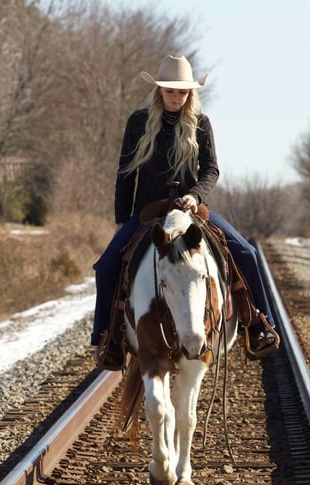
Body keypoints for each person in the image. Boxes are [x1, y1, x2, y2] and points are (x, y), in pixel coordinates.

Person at [91, 55, 277, 369]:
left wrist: (194, 195)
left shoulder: (201, 123)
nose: (176, 97)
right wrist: (122, 221)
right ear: (159, 90)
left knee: (245, 252)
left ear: (191, 93)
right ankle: (107, 337)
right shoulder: (139, 122)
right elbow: (125, 174)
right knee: (107, 266)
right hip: (149, 214)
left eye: (182, 92)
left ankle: (259, 323)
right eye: (170, 91)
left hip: (193, 213)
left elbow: (212, 170)